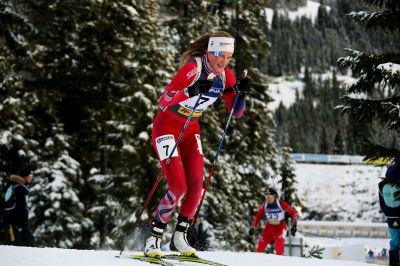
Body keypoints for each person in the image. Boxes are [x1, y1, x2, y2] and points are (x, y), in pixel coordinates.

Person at [144, 31, 249, 258]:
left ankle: (180, 236)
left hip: (191, 129)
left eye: (229, 57)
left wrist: (241, 93)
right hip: (167, 126)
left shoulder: (226, 75)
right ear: (210, 52)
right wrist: (190, 90)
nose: (223, 61)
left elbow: (236, 112)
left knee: (196, 186)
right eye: (220, 55)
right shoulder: (194, 67)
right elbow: (164, 98)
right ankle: (153, 238)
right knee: (177, 187)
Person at [249, 188, 297, 256]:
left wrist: (294, 225)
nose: (268, 199)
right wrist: (253, 227)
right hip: (269, 228)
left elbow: (293, 213)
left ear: (275, 197)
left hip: (280, 227)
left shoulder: (281, 204)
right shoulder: (264, 205)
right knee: (260, 248)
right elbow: (258, 216)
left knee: (278, 248)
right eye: (267, 197)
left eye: (270, 197)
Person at [3, 166, 35, 246]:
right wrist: (23, 221)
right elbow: (21, 205)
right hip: (17, 221)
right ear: (25, 176)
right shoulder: (19, 187)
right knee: (20, 244)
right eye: (30, 176)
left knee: (17, 243)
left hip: (12, 220)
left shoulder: (13, 185)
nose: (31, 178)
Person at [378, 163, 400, 266]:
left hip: (391, 217)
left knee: (394, 242)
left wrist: (387, 212)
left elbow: (382, 203)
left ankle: (394, 263)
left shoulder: (381, 185)